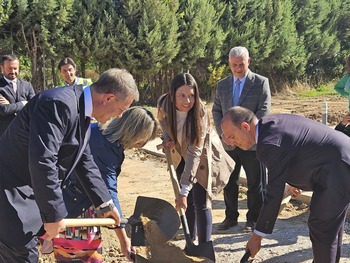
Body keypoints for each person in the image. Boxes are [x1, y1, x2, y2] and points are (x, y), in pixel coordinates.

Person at [0, 68, 139, 263]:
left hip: (25, 194)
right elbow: (43, 160)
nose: (118, 116)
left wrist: (105, 203)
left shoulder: (80, 108)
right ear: (108, 98)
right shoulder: (58, 104)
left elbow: (84, 160)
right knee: (21, 256)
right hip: (10, 193)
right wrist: (54, 215)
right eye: (121, 109)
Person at [221, 106, 350, 263]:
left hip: (338, 168)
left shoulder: (268, 143)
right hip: (338, 164)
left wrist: (257, 236)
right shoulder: (270, 126)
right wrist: (294, 182)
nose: (232, 144)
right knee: (329, 228)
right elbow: (299, 149)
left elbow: (273, 194)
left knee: (322, 226)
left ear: (245, 127)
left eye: (232, 137)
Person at [62, 106, 158, 261]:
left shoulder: (98, 131)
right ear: (133, 132)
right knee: (80, 257)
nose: (142, 143)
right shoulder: (105, 148)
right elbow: (108, 193)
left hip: (75, 198)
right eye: (142, 139)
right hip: (73, 205)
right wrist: (123, 238)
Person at [157, 73, 234, 244]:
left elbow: (195, 152)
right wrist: (167, 138)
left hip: (202, 155)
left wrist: (183, 191)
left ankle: (204, 247)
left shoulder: (199, 112)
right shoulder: (163, 104)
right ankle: (190, 242)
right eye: (182, 96)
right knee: (189, 202)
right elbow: (164, 126)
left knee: (201, 200)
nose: (187, 101)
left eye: (192, 95)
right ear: (171, 95)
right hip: (179, 154)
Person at [212, 46, 271, 232]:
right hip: (228, 144)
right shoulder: (222, 85)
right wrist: (224, 134)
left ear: (249, 62)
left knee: (256, 183)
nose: (238, 68)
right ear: (229, 64)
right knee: (230, 182)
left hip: (251, 144)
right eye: (234, 65)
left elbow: (264, 110)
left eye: (241, 64)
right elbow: (216, 110)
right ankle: (230, 218)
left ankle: (253, 220)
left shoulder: (261, 83)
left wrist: (246, 134)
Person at [0, 54, 35, 136]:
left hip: (25, 133)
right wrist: (23, 103)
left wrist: (11, 106)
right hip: (5, 134)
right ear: (2, 68)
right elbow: (4, 110)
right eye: (10, 68)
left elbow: (33, 106)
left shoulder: (27, 85)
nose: (13, 71)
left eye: (15, 68)